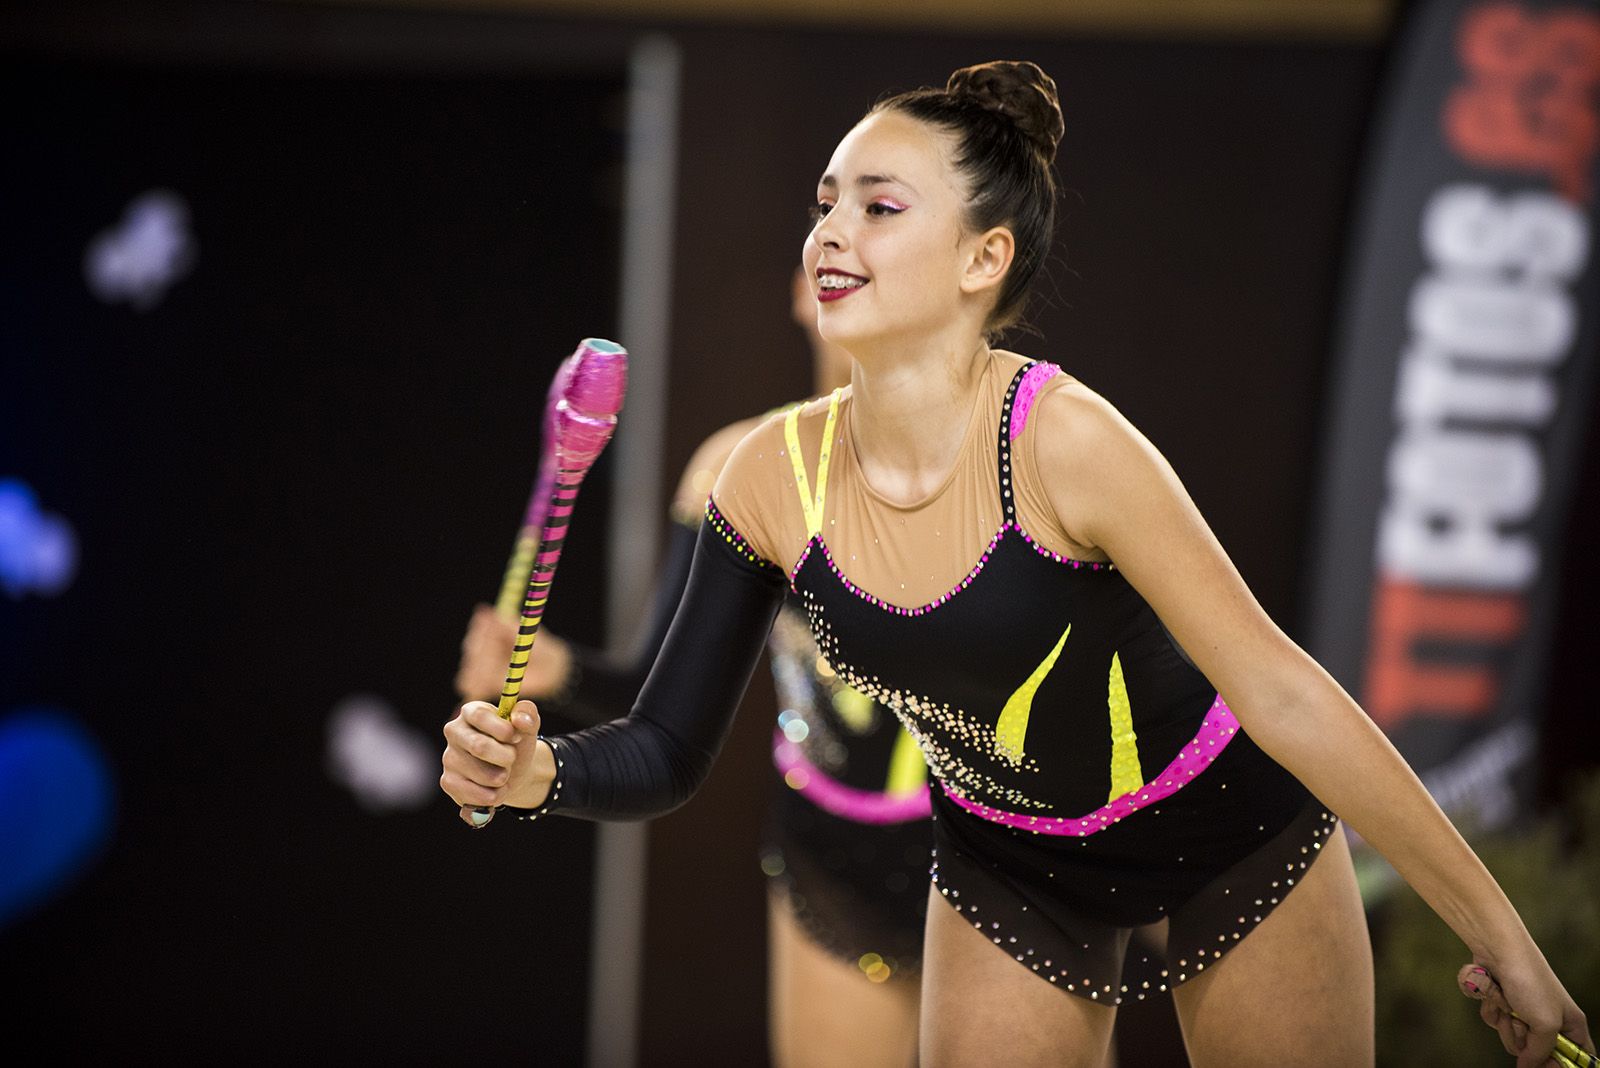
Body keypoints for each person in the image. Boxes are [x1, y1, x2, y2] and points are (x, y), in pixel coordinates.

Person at [440, 60, 1591, 1067]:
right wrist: (542, 774)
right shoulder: (765, 477)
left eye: (879, 206)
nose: (830, 231)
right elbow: (664, 746)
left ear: (983, 257)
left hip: (1224, 834)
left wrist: (1504, 940)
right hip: (1009, 865)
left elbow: (1282, 691)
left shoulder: (1063, 443)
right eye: (825, 203)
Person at [452, 268, 927, 1067]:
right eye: (824, 221)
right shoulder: (738, 469)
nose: (843, 243)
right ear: (798, 289)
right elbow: (662, 705)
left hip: (995, 860)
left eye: (881, 216)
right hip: (833, 858)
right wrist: (558, 672)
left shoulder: (999, 461)